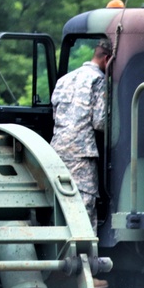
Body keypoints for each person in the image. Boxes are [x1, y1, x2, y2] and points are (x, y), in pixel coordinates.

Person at [51, 38, 111, 236]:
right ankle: (84, 258)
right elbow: (100, 122)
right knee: (84, 208)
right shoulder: (98, 80)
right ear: (107, 59)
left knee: (60, 205)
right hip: (82, 155)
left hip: (55, 153)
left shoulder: (65, 79)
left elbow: (56, 113)